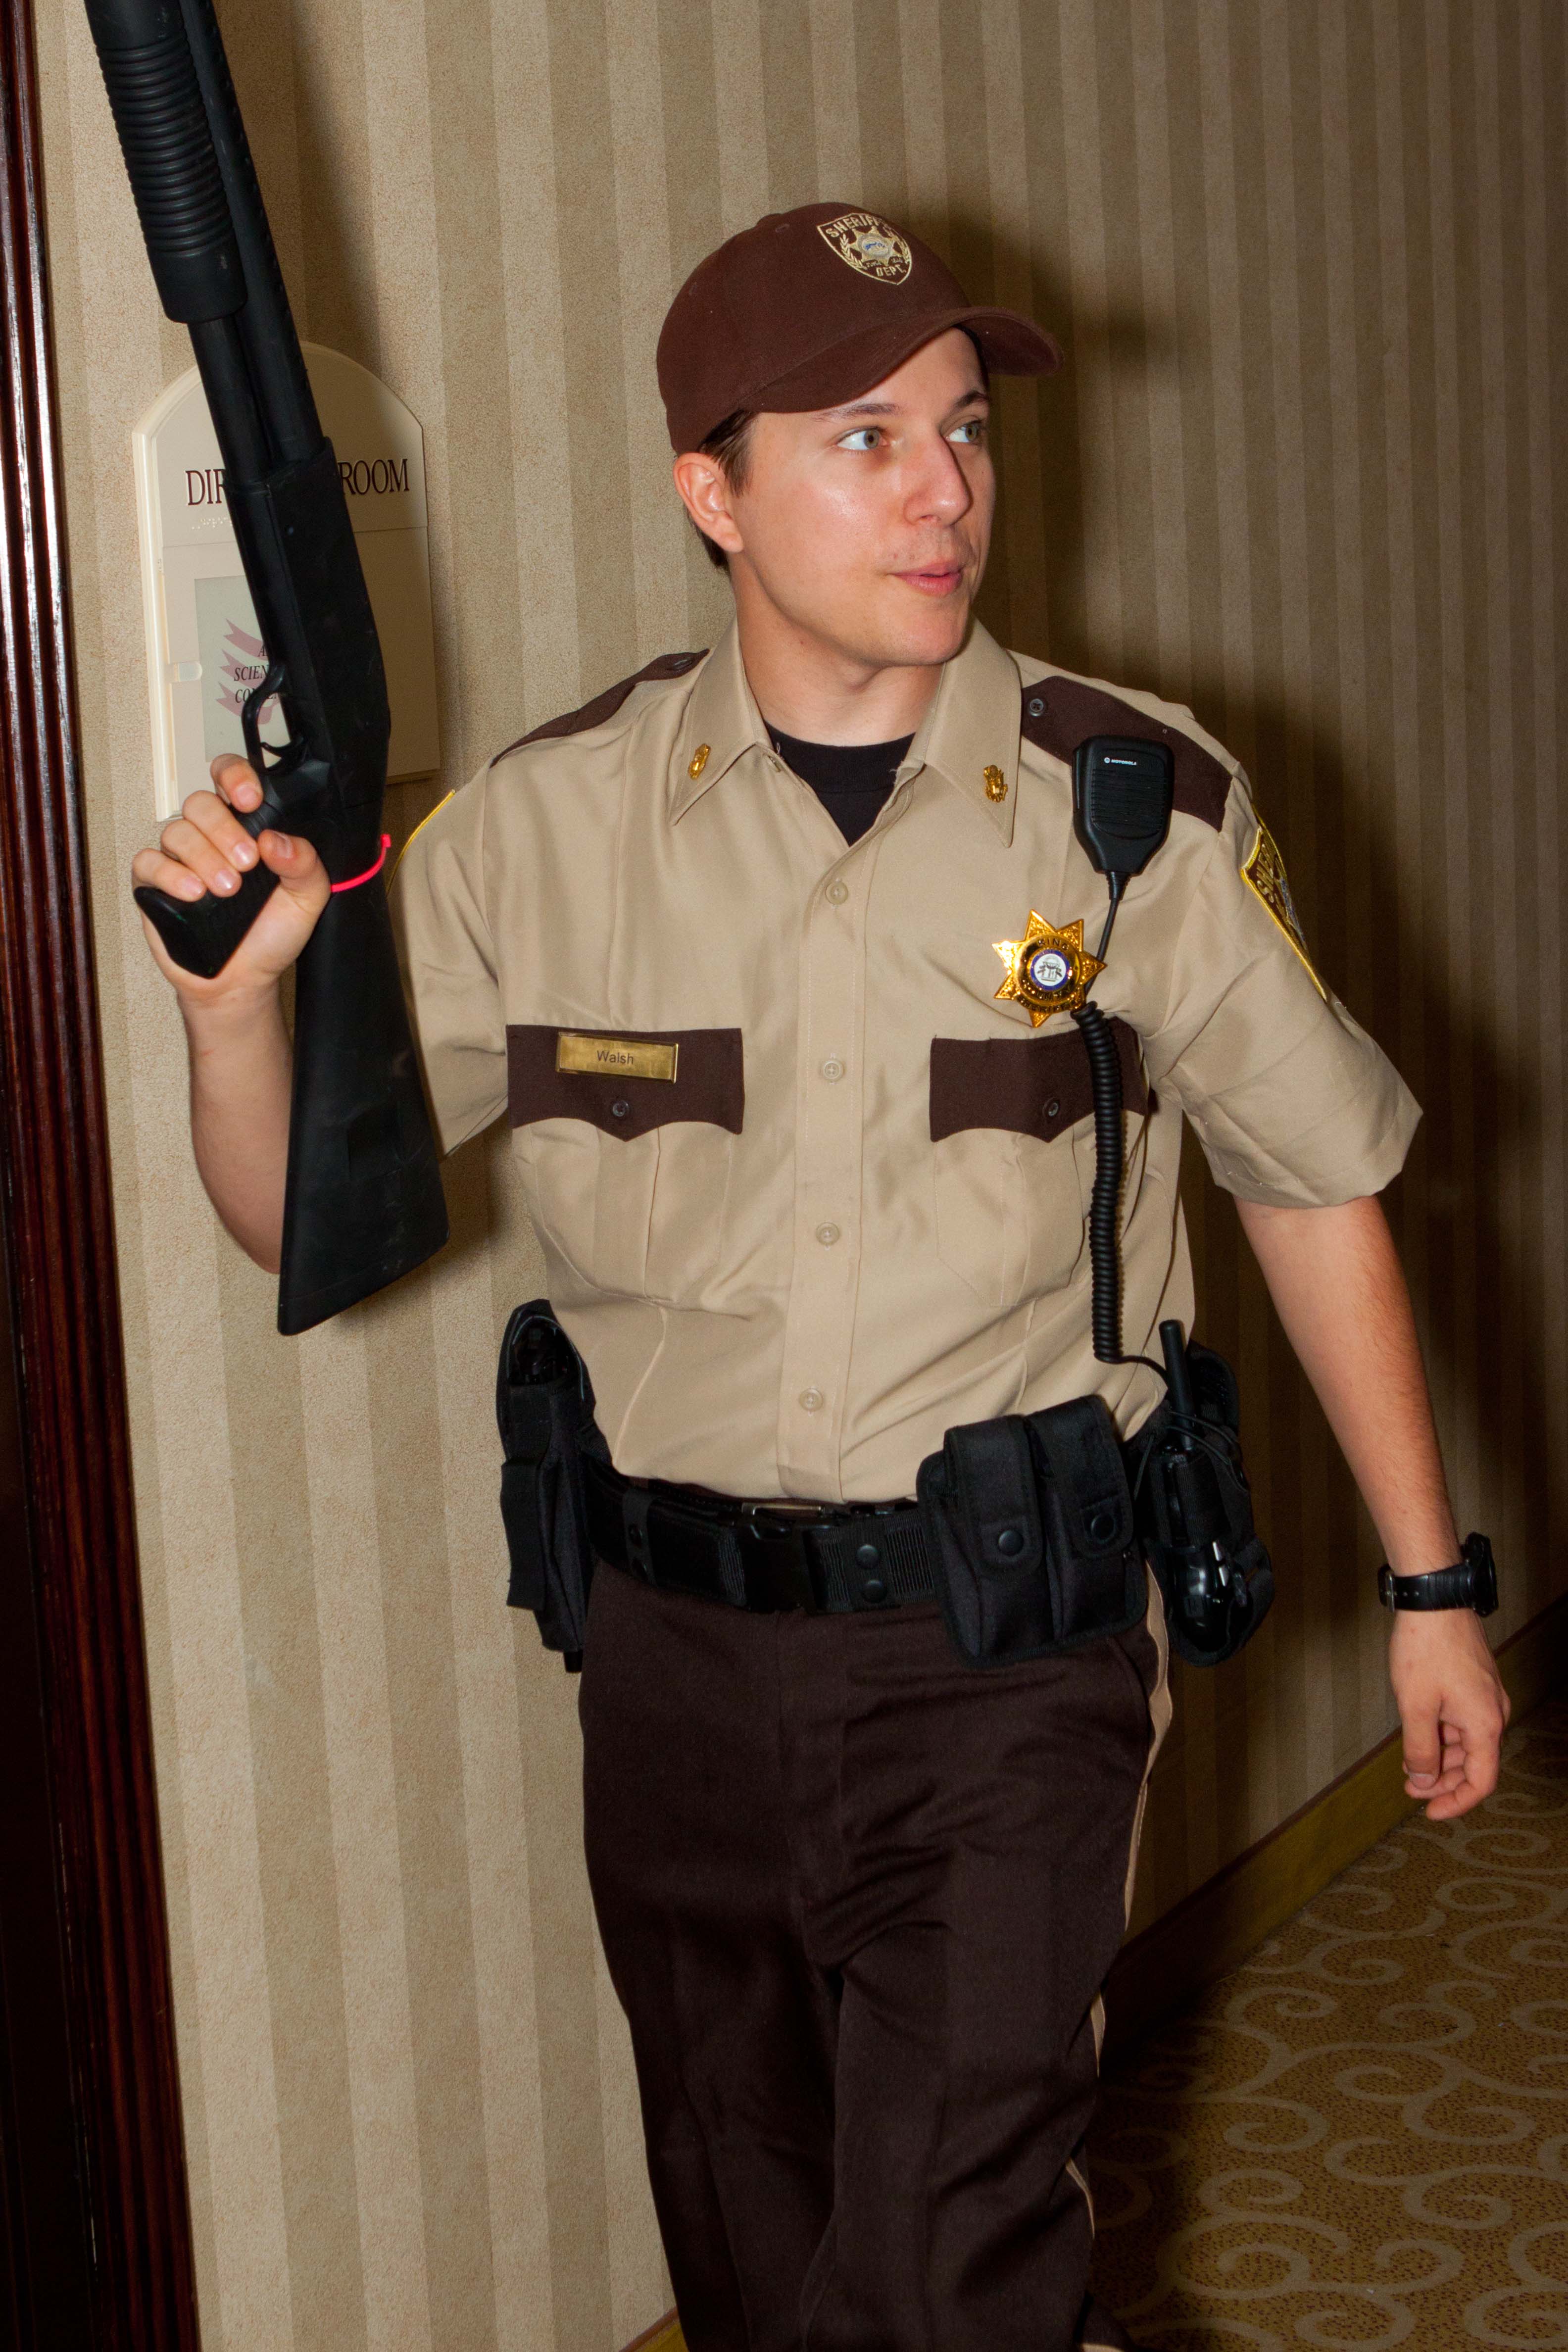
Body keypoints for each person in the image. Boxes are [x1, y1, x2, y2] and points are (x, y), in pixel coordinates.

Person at [133, 203, 1509, 2352]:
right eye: (864, 438)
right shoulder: (544, 832)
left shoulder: (1130, 811)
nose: (944, 488)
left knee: (953, 2266)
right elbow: (302, 1223)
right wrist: (233, 1016)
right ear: (715, 492)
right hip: (670, 1661)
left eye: (963, 429)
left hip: (1008, 1650)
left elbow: (1310, 1183)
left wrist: (1431, 1587)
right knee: (751, 2250)